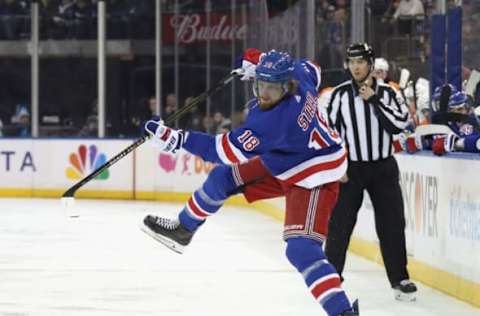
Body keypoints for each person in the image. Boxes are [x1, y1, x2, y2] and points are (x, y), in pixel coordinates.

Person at [140, 49, 359, 316]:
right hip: (288, 157)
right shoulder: (300, 75)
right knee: (222, 178)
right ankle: (184, 229)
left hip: (314, 172)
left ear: (287, 87)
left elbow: (221, 151)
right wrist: (257, 59)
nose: (264, 94)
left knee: (301, 249)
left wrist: (176, 139)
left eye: (272, 88)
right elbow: (312, 67)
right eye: (261, 84)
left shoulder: (274, 123)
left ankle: (343, 312)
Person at [322, 43, 417, 302]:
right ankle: (331, 278)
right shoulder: (338, 96)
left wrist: (374, 100)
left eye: (360, 61)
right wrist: (336, 165)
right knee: (340, 224)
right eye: (351, 62)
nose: (355, 66)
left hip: (383, 166)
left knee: (392, 224)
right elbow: (327, 134)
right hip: (350, 169)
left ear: (370, 64)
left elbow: (400, 124)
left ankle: (400, 279)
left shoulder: (388, 92)